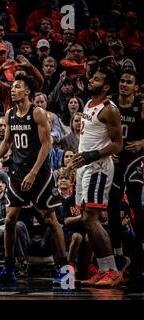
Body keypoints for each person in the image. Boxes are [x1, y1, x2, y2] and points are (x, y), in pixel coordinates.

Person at [0, 75, 67, 285]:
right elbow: (6, 143)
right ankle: (9, 268)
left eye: (17, 87)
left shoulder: (37, 113)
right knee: (10, 219)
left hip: (39, 174)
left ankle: (65, 269)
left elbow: (47, 145)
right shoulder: (11, 113)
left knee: (51, 219)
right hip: (18, 173)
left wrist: (33, 172)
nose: (13, 90)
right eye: (12, 87)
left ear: (27, 91)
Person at [68, 66, 123, 287]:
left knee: (91, 219)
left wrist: (91, 155)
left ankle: (112, 270)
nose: (91, 80)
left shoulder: (110, 110)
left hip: (98, 167)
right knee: (87, 220)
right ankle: (103, 269)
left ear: (106, 87)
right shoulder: (90, 103)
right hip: (84, 167)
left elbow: (118, 144)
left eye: (97, 79)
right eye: (92, 77)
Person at [108, 69, 144, 287]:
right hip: (114, 161)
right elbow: (100, 131)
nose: (123, 84)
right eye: (121, 81)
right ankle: (119, 257)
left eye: (128, 82)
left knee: (136, 210)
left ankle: (138, 260)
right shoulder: (110, 105)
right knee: (112, 208)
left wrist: (143, 143)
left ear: (136, 87)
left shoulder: (141, 106)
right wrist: (106, 148)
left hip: (134, 160)